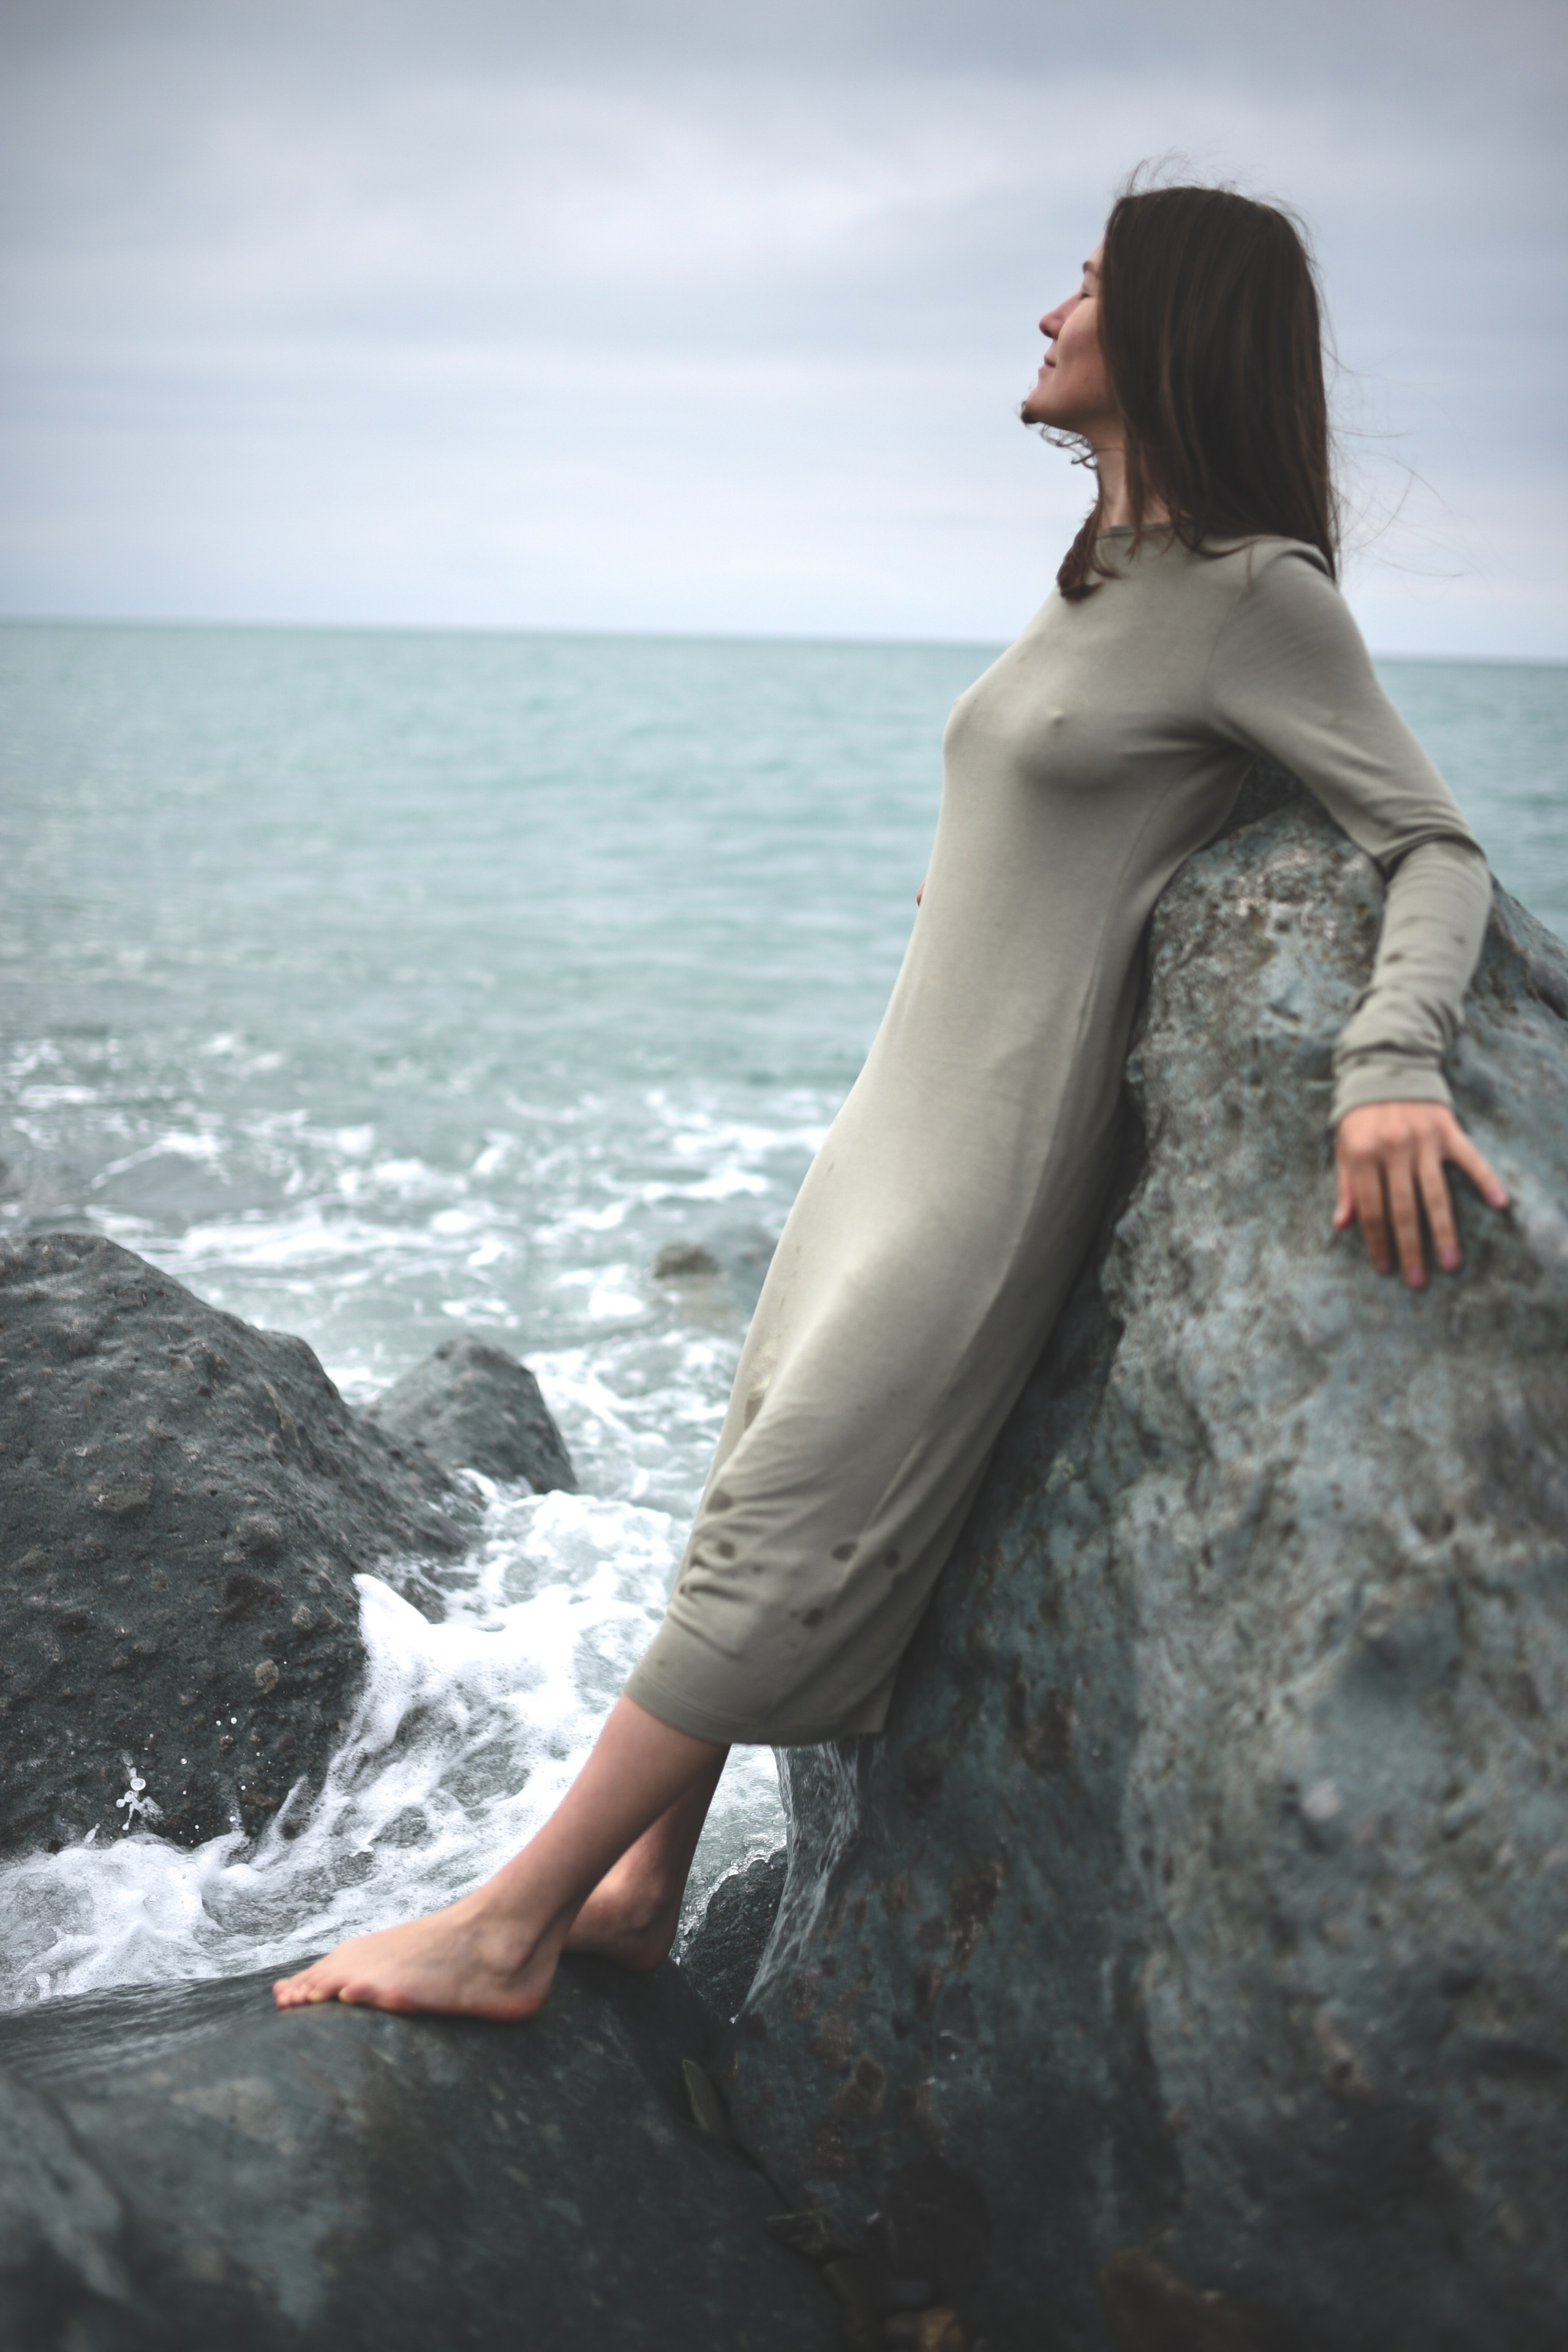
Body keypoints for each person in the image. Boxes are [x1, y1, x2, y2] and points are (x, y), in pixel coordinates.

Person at [274, 181, 1508, 2021]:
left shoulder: (1263, 600)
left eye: (1083, 291)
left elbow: (1434, 846)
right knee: (753, 1474)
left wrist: (1386, 1065)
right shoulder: (1107, 579)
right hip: (888, 1123)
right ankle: (640, 1879)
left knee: (801, 1508)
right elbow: (1069, 810)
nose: (1046, 319)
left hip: (989, 1160)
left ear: (1167, 329)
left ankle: (506, 1927)